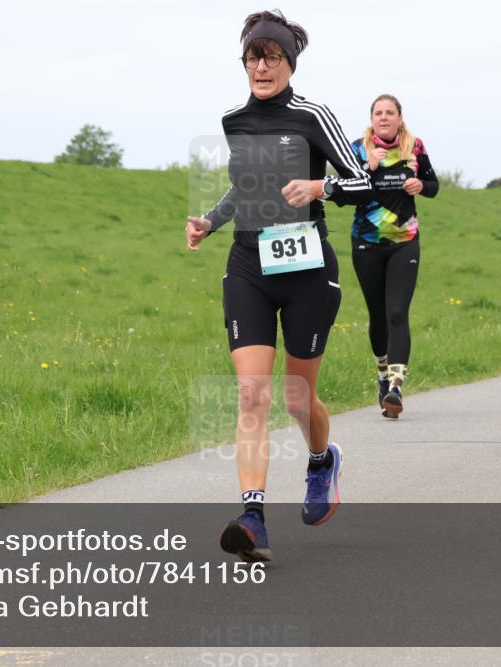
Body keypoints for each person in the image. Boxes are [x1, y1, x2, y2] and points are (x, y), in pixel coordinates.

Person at [184, 9, 375, 562]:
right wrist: (209, 222)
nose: (261, 66)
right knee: (251, 393)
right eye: (252, 56)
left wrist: (320, 186)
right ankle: (252, 517)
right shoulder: (233, 120)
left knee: (297, 396)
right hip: (249, 262)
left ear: (290, 61)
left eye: (271, 56)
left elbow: (362, 181)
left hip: (307, 268)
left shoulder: (313, 114)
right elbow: (244, 188)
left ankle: (322, 460)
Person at [348, 94, 439, 418]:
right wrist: (366, 168)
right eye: (378, 113)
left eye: (390, 113)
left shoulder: (415, 147)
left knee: (397, 312)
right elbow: (343, 192)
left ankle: (396, 387)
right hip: (367, 242)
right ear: (371, 118)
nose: (384, 117)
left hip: (405, 241)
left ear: (400, 118)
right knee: (378, 315)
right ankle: (383, 374)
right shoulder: (357, 148)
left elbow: (434, 185)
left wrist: (420, 185)